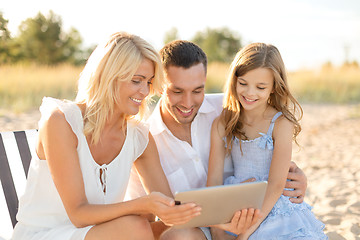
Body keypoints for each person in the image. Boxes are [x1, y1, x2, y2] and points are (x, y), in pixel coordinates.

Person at [12, 32, 202, 240]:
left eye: (148, 82)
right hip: (45, 234)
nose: (145, 91)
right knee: (136, 228)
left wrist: (218, 219)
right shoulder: (62, 122)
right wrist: (142, 205)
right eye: (136, 80)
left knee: (184, 234)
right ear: (108, 76)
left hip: (103, 233)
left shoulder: (138, 137)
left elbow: (168, 211)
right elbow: (78, 214)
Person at [126, 40, 309, 240]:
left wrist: (296, 177)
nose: (188, 103)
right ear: (160, 86)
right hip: (201, 229)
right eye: (177, 91)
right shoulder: (144, 139)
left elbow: (270, 152)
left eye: (197, 91)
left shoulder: (232, 109)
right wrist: (217, 224)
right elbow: (147, 223)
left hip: (256, 211)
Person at [207, 42, 327, 239]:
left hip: (273, 203)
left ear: (273, 88)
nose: (250, 93)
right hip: (239, 202)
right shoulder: (222, 122)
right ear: (234, 80)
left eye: (260, 87)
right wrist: (216, 229)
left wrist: (246, 233)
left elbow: (276, 184)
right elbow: (213, 180)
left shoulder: (280, 124)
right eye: (243, 83)